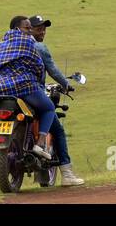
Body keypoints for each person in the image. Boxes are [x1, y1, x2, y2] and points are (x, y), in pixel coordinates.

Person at [0, 15, 58, 189]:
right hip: (22, 87)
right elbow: (39, 67)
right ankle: (39, 144)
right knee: (48, 108)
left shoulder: (1, 44)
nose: (29, 30)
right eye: (27, 28)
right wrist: (38, 81)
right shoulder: (27, 43)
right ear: (18, 29)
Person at [27, 14, 84, 187]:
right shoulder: (38, 47)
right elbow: (52, 69)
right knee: (56, 127)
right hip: (31, 91)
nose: (42, 31)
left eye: (44, 28)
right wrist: (66, 85)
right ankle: (66, 174)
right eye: (38, 28)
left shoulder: (9, 46)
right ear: (28, 29)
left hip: (8, 93)